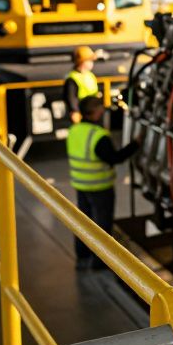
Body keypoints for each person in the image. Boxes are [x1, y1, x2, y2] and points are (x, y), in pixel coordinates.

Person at [67, 96, 138, 270]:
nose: (102, 111)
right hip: (100, 187)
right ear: (94, 112)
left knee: (84, 221)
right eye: (100, 108)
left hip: (81, 185)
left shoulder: (75, 130)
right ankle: (100, 262)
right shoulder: (99, 136)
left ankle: (82, 254)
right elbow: (115, 158)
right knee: (102, 225)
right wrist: (135, 144)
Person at [64, 46, 98, 124]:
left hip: (93, 114)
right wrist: (75, 113)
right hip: (82, 116)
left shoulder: (90, 75)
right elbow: (71, 99)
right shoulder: (72, 79)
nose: (92, 63)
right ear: (81, 62)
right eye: (89, 60)